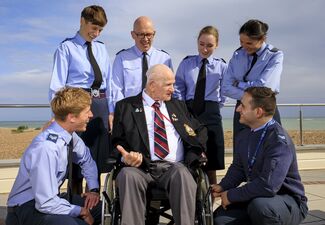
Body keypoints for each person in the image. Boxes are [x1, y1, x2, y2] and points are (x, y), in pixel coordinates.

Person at [111, 64, 207, 225]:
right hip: (140, 168)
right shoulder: (126, 106)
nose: (173, 89)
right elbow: (117, 141)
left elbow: (199, 130)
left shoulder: (178, 106)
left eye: (173, 84)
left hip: (175, 167)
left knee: (183, 174)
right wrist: (125, 157)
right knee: (127, 175)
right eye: (168, 84)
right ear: (152, 85)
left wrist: (196, 153)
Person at [212, 87, 308, 225]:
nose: (238, 109)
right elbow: (238, 168)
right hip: (257, 197)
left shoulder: (278, 141)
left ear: (258, 112)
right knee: (220, 219)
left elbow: (268, 186)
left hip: (287, 200)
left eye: (243, 106)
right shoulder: (244, 135)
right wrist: (222, 187)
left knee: (261, 208)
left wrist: (231, 195)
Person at [6, 87, 102, 225]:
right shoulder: (46, 148)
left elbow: (86, 159)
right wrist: (81, 211)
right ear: (72, 117)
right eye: (87, 112)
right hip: (26, 207)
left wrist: (93, 190)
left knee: (99, 209)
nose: (91, 115)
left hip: (49, 200)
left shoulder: (70, 136)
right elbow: (45, 203)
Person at [49, 5, 112, 193]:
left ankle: (93, 207)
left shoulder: (102, 49)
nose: (97, 33)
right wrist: (57, 115)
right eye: (93, 28)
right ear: (82, 21)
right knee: (74, 165)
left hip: (99, 106)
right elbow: (57, 84)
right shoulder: (66, 48)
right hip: (75, 106)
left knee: (97, 161)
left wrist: (111, 111)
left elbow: (109, 83)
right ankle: (74, 207)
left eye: (100, 30)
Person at [174, 25, 227, 186]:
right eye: (202, 44)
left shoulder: (222, 66)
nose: (205, 49)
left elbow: (224, 91)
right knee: (189, 157)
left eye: (209, 45)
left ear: (216, 45)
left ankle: (209, 204)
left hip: (211, 113)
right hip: (189, 111)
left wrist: (215, 106)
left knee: (211, 162)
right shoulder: (186, 64)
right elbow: (178, 88)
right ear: (197, 42)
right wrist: (183, 111)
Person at [222, 19, 283, 144]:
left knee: (270, 148)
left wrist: (239, 84)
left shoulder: (275, 55)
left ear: (262, 39)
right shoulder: (237, 55)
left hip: (265, 108)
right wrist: (249, 96)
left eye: (249, 43)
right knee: (241, 150)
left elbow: (265, 87)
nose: (244, 46)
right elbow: (226, 87)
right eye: (241, 42)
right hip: (242, 109)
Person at [111, 16, 173, 118]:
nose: (145, 39)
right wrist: (121, 112)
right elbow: (116, 89)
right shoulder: (122, 58)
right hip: (130, 111)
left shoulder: (164, 58)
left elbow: (169, 87)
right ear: (133, 35)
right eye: (141, 34)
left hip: (158, 112)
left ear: (154, 34)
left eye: (148, 34)